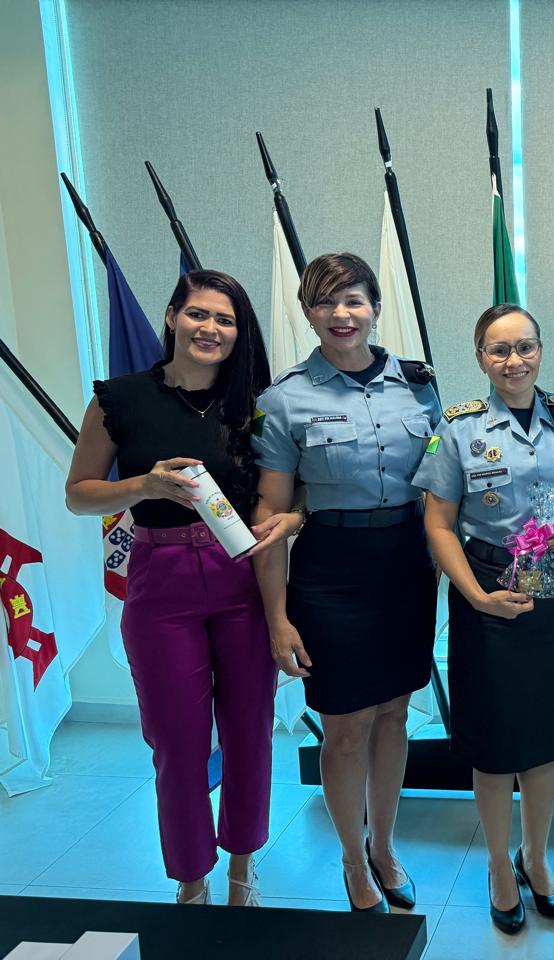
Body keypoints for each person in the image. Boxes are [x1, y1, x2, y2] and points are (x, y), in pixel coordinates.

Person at [65, 269, 299, 906]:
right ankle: (191, 880)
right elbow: (79, 493)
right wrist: (141, 485)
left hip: (242, 577)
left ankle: (243, 868)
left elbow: (290, 492)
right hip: (160, 579)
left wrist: (295, 517)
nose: (211, 329)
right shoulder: (120, 397)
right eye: (198, 314)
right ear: (172, 317)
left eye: (225, 320)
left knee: (251, 729)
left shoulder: (255, 401)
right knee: (176, 740)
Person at [251, 253, 442, 913]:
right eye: (325, 302)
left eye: (354, 300)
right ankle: (353, 859)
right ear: (307, 311)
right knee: (345, 727)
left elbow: (444, 485)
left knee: (394, 714)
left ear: (375, 307)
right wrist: (276, 618)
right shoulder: (283, 399)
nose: (341, 315)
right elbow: (271, 518)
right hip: (331, 569)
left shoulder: (418, 386)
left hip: (406, 563)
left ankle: (385, 848)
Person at [416, 303, 554, 934]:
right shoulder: (459, 428)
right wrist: (475, 597)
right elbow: (438, 524)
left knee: (548, 734)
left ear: (541, 350)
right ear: (480, 359)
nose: (513, 360)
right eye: (498, 350)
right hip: (488, 584)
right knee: (494, 741)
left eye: (524, 347)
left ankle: (537, 856)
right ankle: (500, 865)